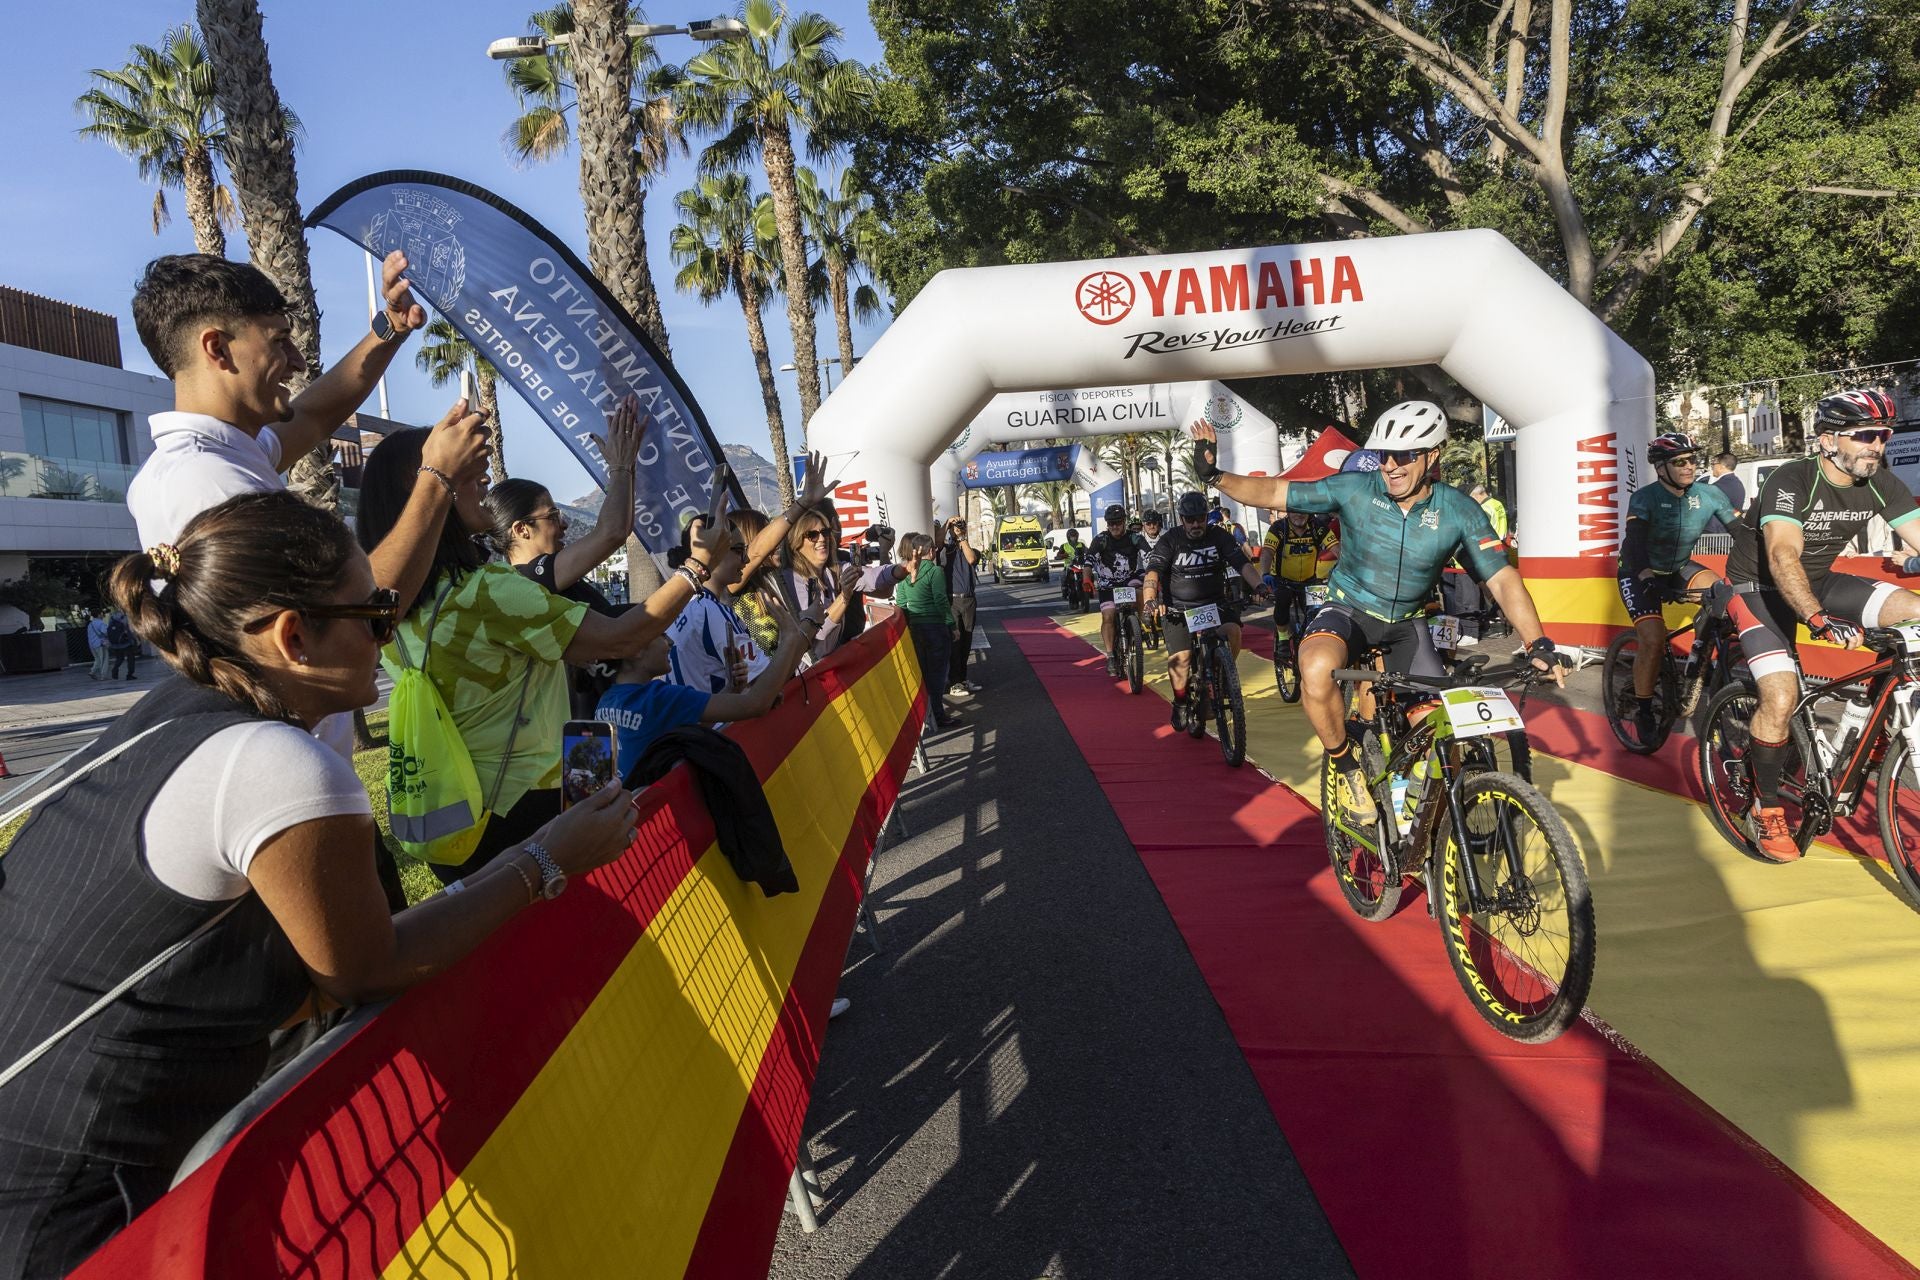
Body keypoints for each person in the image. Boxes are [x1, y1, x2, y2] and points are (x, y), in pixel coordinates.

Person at [0, 493, 639, 1278]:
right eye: (374, 613)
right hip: (85, 1203)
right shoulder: (281, 765)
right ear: (293, 637)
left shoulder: (173, 709)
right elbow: (368, 968)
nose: (390, 630)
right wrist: (547, 859)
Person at [123, 252, 491, 762]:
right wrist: (437, 479)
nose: (297, 362)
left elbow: (316, 414)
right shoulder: (205, 481)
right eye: (279, 341)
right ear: (217, 349)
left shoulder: (230, 452)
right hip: (289, 769)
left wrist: (390, 327)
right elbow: (357, 614)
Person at [355, 429, 727, 883]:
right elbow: (619, 639)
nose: (484, 488)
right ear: (433, 492)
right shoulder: (489, 592)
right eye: (470, 478)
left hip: (453, 808)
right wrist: (696, 568)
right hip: (528, 800)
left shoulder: (394, 609)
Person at [1193, 403, 1568, 825]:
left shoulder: (1459, 510)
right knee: (1314, 668)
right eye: (1385, 454)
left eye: (1404, 455)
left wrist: (1537, 641)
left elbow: (1501, 579)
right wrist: (1215, 477)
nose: (1390, 465)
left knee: (1437, 728)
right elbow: (1276, 492)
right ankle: (1347, 766)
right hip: (1349, 608)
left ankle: (1422, 816)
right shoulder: (1356, 488)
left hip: (1408, 624)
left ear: (1433, 454)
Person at [1722, 389, 1920, 859]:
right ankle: (1764, 807)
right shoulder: (1792, 479)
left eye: (1884, 435)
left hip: (1820, 580)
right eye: (1866, 435)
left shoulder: (1881, 483)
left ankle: (1876, 708)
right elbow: (1781, 554)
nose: (1878, 445)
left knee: (1913, 611)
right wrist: (1815, 617)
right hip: (1759, 587)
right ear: (1829, 440)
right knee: (1782, 695)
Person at [484, 394, 646, 717]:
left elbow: (620, 528)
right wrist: (621, 466)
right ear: (521, 529)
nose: (565, 523)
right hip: (587, 727)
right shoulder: (531, 579)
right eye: (553, 515)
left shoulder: (547, 578)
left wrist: (627, 468)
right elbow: (611, 533)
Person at [598, 595, 825, 760]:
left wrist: (731, 690)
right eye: (660, 634)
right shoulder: (659, 698)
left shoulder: (605, 703)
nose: (670, 642)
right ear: (635, 650)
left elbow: (689, 727)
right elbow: (756, 703)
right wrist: (792, 637)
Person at [1617, 433, 1736, 743]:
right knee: (1654, 640)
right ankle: (1644, 707)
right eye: (1679, 462)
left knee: (1724, 595)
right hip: (1638, 571)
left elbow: (1742, 531)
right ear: (1660, 467)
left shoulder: (1709, 494)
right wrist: (1647, 578)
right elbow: (1633, 545)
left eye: (1693, 460)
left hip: (1679, 567)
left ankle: (1699, 659)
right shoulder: (1645, 498)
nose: (1689, 466)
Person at [1142, 492, 1268, 729]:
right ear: (1182, 519)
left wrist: (1259, 585)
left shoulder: (1219, 535)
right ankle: (1180, 702)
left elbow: (1242, 564)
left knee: (1233, 631)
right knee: (1182, 658)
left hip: (1215, 604)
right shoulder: (1171, 539)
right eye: (1190, 520)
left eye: (1200, 518)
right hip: (1178, 609)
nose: (1196, 524)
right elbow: (1153, 572)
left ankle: (1221, 675)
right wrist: (1150, 600)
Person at [665, 515, 766, 695]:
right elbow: (764, 682)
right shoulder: (710, 609)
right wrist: (802, 632)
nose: (746, 560)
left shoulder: (673, 604)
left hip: (689, 719)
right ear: (715, 552)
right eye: (739, 550)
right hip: (719, 721)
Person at [776, 505, 863, 660]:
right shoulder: (791, 579)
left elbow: (875, 578)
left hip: (830, 663)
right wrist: (844, 597)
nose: (822, 539)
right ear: (796, 542)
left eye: (825, 532)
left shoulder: (829, 570)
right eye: (812, 535)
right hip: (808, 674)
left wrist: (902, 568)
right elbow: (818, 630)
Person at [893, 533, 960, 729]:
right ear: (930, 551)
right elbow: (940, 601)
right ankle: (938, 715)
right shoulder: (935, 571)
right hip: (936, 629)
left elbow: (901, 603)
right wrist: (952, 625)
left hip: (915, 628)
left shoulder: (906, 572)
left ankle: (924, 715)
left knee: (921, 674)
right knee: (937, 675)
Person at [1260, 507, 1340, 654]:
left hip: (1309, 581)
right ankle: (1283, 638)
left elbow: (1336, 548)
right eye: (1295, 511)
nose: (1299, 515)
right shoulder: (1278, 528)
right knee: (1282, 601)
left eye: (1303, 511)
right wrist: (1265, 573)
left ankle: (1312, 639)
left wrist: (1346, 566)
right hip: (1283, 580)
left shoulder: (1317, 527)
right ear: (1288, 513)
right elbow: (1267, 552)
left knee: (1317, 613)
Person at [1088, 504, 1149, 677]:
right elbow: (1089, 561)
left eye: (1118, 522)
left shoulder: (1135, 538)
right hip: (1108, 585)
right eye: (1111, 523)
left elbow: (1149, 555)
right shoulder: (1101, 539)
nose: (1114, 526)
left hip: (1129, 580)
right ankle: (1110, 656)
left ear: (1124, 522)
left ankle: (1141, 622)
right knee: (1108, 616)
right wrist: (1086, 578)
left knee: (1140, 591)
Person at [935, 515, 983, 698]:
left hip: (969, 600)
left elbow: (971, 559)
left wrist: (962, 538)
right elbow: (937, 542)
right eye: (956, 527)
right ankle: (954, 682)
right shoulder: (946, 550)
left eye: (961, 526)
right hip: (952, 601)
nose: (958, 529)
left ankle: (962, 679)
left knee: (966, 642)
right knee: (955, 641)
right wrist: (947, 524)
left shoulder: (971, 549)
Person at [1708, 452, 1746, 532]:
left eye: (1713, 464)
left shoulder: (1718, 487)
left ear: (1722, 466)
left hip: (1716, 533)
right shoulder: (1737, 483)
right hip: (1729, 531)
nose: (1712, 467)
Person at [104, 609, 139, 681]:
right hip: (126, 643)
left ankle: (114, 670)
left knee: (119, 658)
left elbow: (110, 630)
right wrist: (134, 640)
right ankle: (130, 675)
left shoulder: (112, 617)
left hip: (115, 644)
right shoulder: (125, 617)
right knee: (131, 659)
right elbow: (129, 631)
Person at [85, 609, 109, 680]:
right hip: (100, 644)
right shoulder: (101, 623)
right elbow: (105, 632)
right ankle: (103, 676)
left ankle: (92, 672)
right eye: (102, 613)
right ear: (98, 615)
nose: (103, 615)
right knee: (104, 660)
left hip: (92, 645)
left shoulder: (90, 624)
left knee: (97, 659)